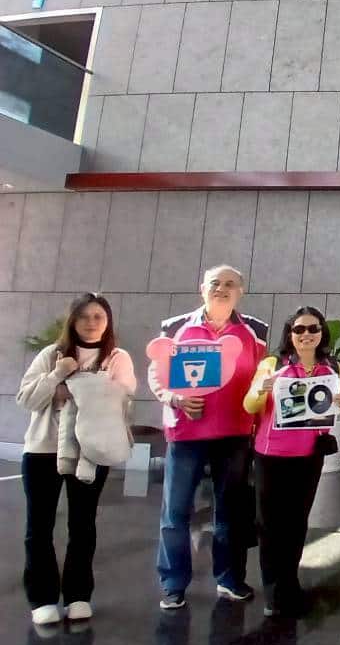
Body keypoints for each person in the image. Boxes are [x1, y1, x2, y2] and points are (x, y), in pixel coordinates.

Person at [151, 265, 267, 610]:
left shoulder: (256, 331)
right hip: (185, 434)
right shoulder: (174, 327)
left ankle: (229, 579)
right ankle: (173, 583)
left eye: (230, 284)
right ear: (202, 288)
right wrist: (175, 398)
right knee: (176, 511)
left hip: (234, 434)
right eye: (215, 283)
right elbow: (157, 374)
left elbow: (261, 379)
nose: (222, 289)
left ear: (241, 292)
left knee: (229, 511)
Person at [16, 293, 136, 625]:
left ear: (108, 322)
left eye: (98, 316)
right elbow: (26, 398)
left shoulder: (117, 358)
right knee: (39, 526)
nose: (91, 322)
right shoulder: (51, 354)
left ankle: (78, 595)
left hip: (91, 452)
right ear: (73, 321)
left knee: (82, 525)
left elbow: (124, 398)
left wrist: (80, 391)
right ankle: (42, 598)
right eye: (84, 316)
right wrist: (57, 375)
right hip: (43, 450)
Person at [243, 306, 340, 617]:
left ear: (322, 333)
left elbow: (337, 407)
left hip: (309, 456)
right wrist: (261, 389)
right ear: (289, 334)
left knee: (296, 523)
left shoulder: (332, 367)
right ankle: (273, 592)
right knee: (270, 525)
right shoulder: (273, 364)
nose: (306, 334)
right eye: (299, 329)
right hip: (271, 455)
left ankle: (290, 583)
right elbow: (250, 405)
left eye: (313, 328)